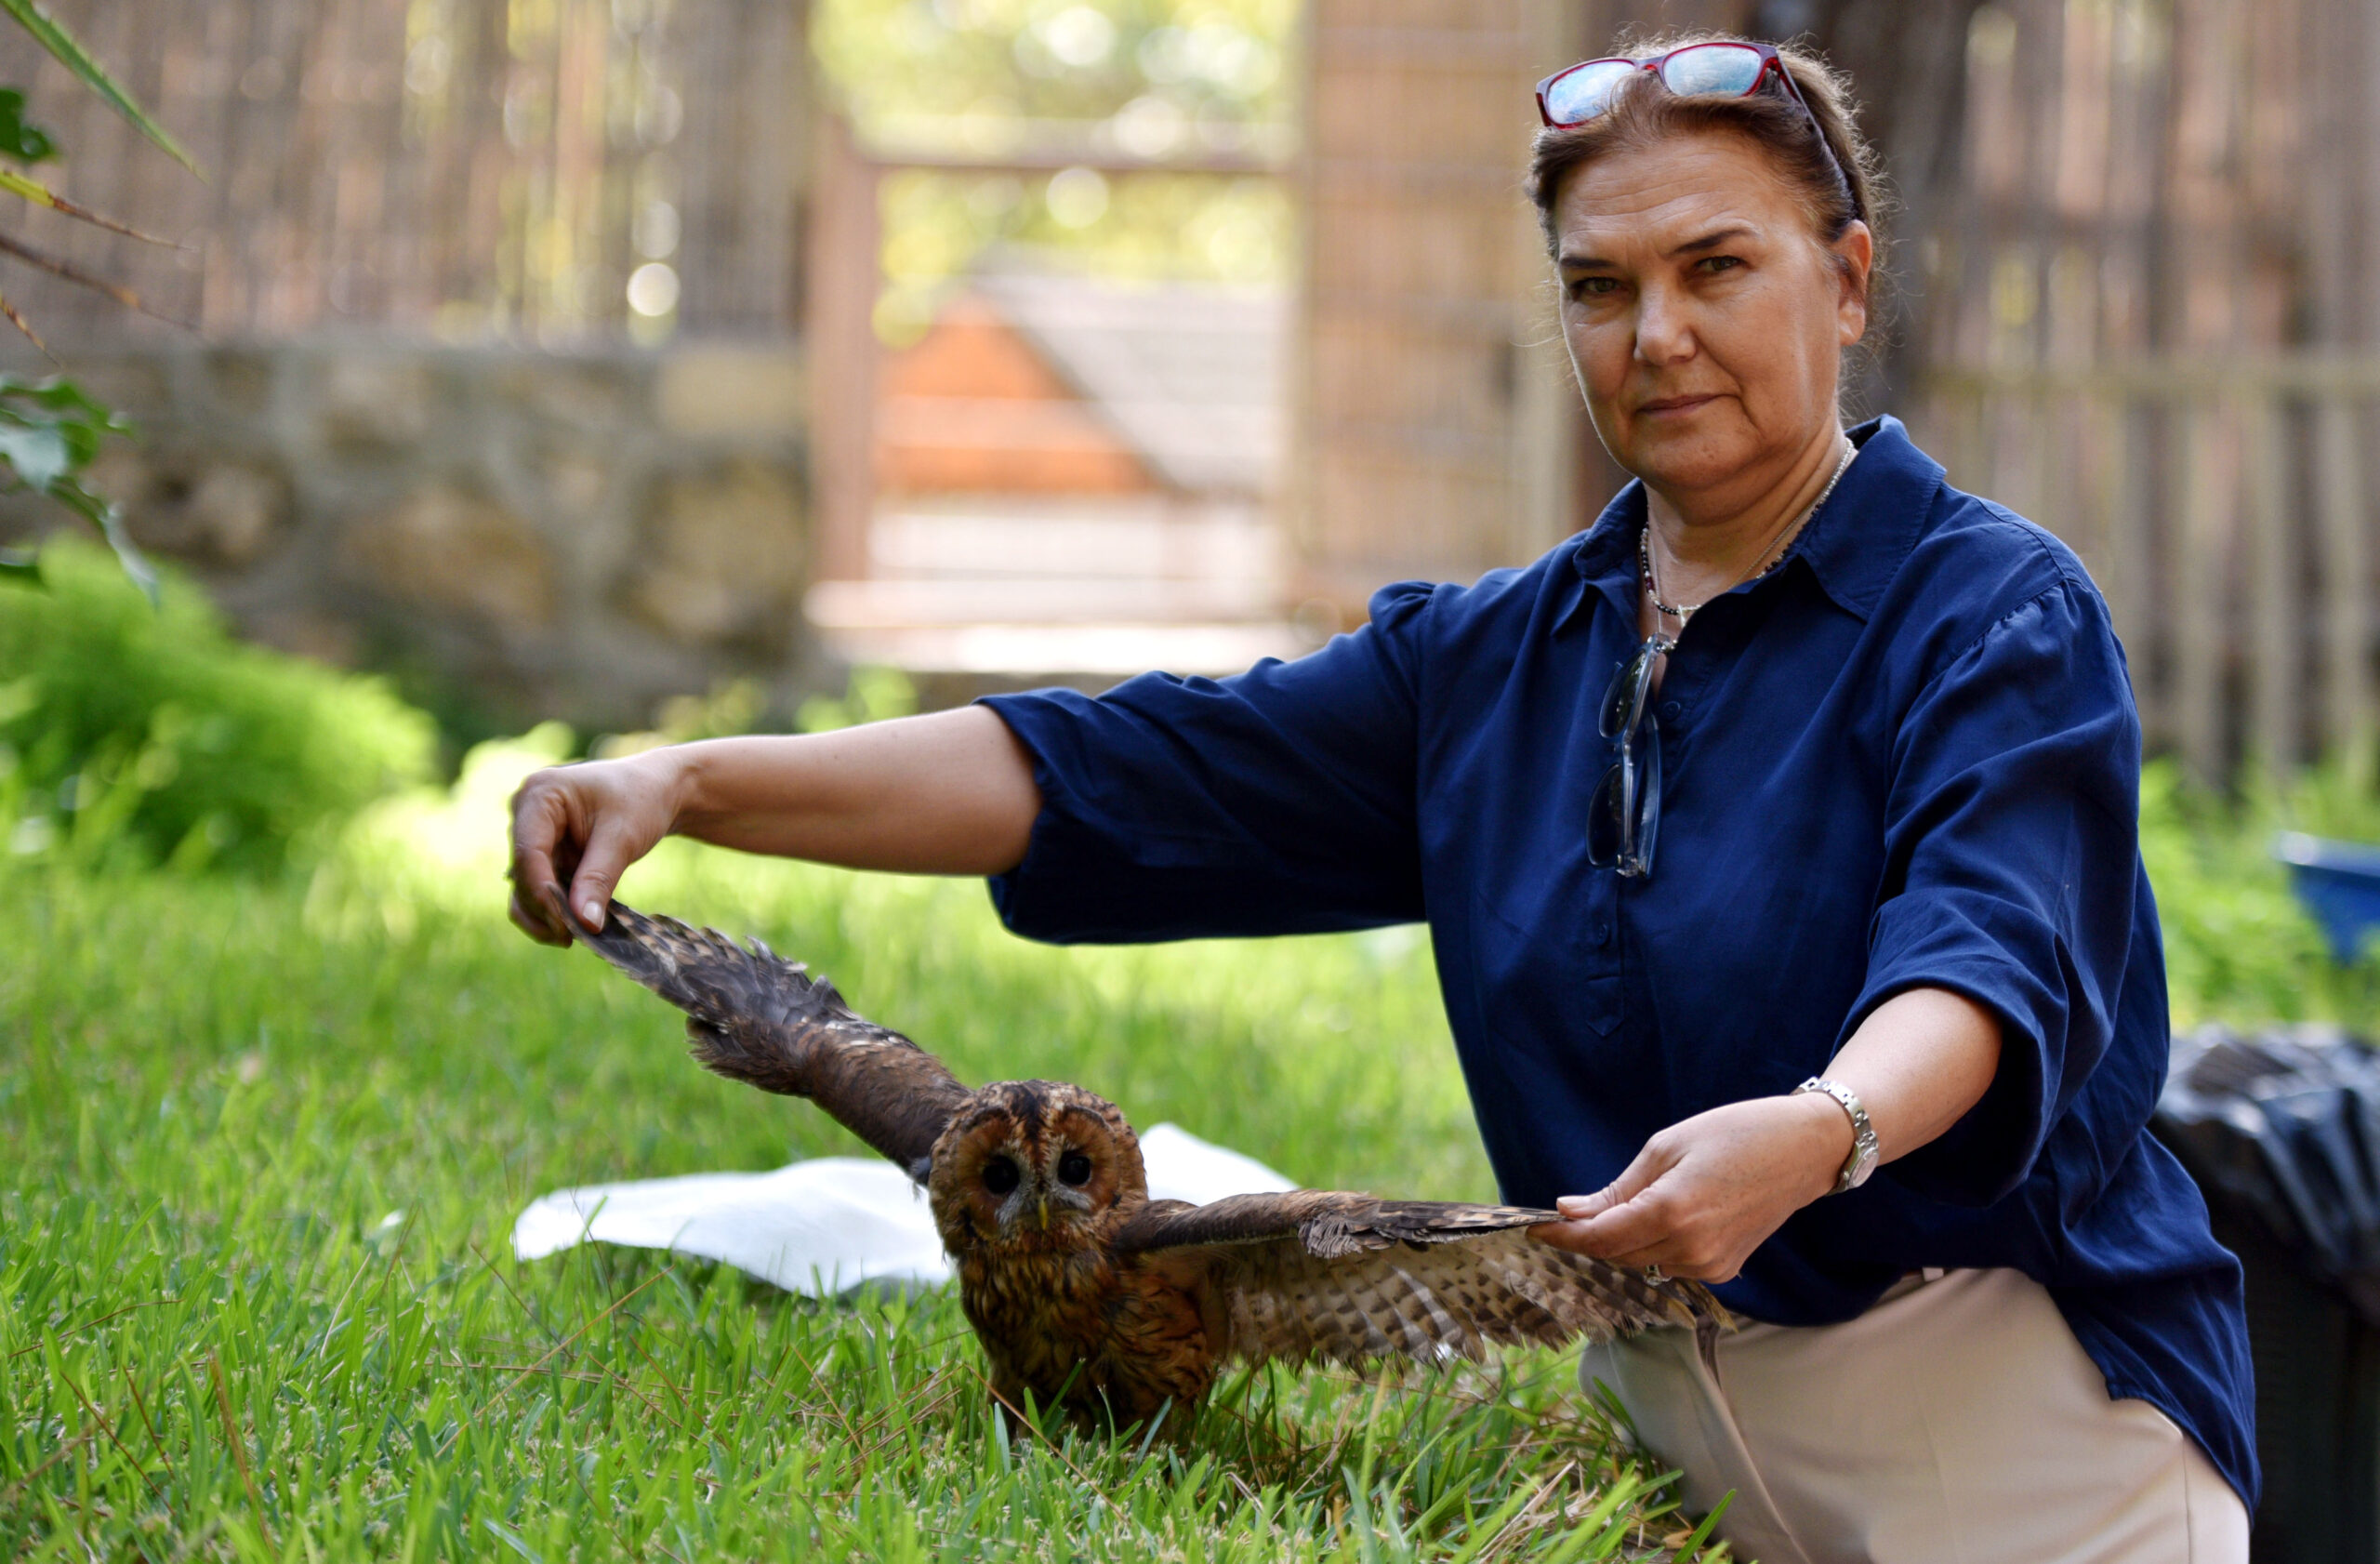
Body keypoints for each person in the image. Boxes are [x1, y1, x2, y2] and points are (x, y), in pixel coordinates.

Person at [509, 33, 2254, 1562]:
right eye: (1599, 285)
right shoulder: (1489, 665)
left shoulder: (1995, 614)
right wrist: (685, 777)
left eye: (1719, 266)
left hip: (2015, 1421)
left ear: (1849, 280)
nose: (1658, 334)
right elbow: (1103, 770)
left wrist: (1823, 1129)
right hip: (1663, 1437)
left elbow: (1990, 953)